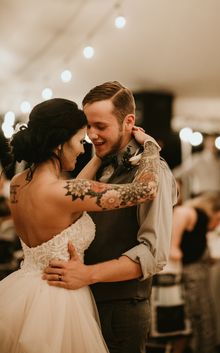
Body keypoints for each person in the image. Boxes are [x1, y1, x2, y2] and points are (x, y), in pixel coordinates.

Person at [0, 97, 160, 353]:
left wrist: (98, 158)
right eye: (78, 141)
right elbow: (148, 189)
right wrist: (151, 147)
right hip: (59, 301)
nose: (82, 148)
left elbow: (71, 195)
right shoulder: (66, 192)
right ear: (59, 144)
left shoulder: (19, 183)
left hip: (24, 291)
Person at [43, 81, 178, 353]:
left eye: (100, 126)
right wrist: (96, 158)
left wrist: (87, 274)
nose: (91, 134)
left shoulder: (154, 173)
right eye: (88, 126)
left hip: (119, 312)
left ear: (129, 122)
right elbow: (69, 204)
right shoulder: (98, 164)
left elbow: (153, 253)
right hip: (81, 302)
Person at [169, 191, 220, 353]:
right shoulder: (193, 213)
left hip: (198, 277)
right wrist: (174, 246)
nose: (218, 224)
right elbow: (181, 214)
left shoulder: (201, 224)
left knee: (201, 318)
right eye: (219, 219)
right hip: (190, 276)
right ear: (212, 211)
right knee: (195, 319)